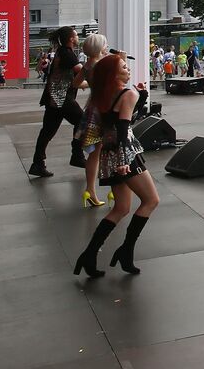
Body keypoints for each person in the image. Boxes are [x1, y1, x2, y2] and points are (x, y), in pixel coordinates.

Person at [73, 54, 160, 277]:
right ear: (114, 74)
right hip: (126, 155)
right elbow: (123, 130)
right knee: (151, 201)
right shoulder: (127, 94)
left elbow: (120, 120)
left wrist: (141, 96)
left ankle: (89, 254)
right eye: (123, 67)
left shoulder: (103, 95)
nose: (128, 69)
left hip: (108, 155)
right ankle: (126, 251)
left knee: (121, 208)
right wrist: (123, 162)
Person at [29, 27, 87, 178]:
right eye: (76, 35)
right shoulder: (67, 53)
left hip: (53, 97)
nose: (78, 37)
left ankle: (37, 164)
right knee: (82, 121)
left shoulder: (63, 52)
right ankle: (77, 155)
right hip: (61, 97)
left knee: (47, 132)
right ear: (71, 38)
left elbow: (74, 79)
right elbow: (82, 71)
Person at [73, 34, 112, 207]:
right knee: (109, 150)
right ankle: (114, 190)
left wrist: (90, 84)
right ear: (99, 47)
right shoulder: (102, 64)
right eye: (105, 44)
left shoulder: (87, 65)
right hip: (103, 110)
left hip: (91, 109)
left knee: (94, 154)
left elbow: (75, 83)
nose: (107, 47)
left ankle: (90, 190)